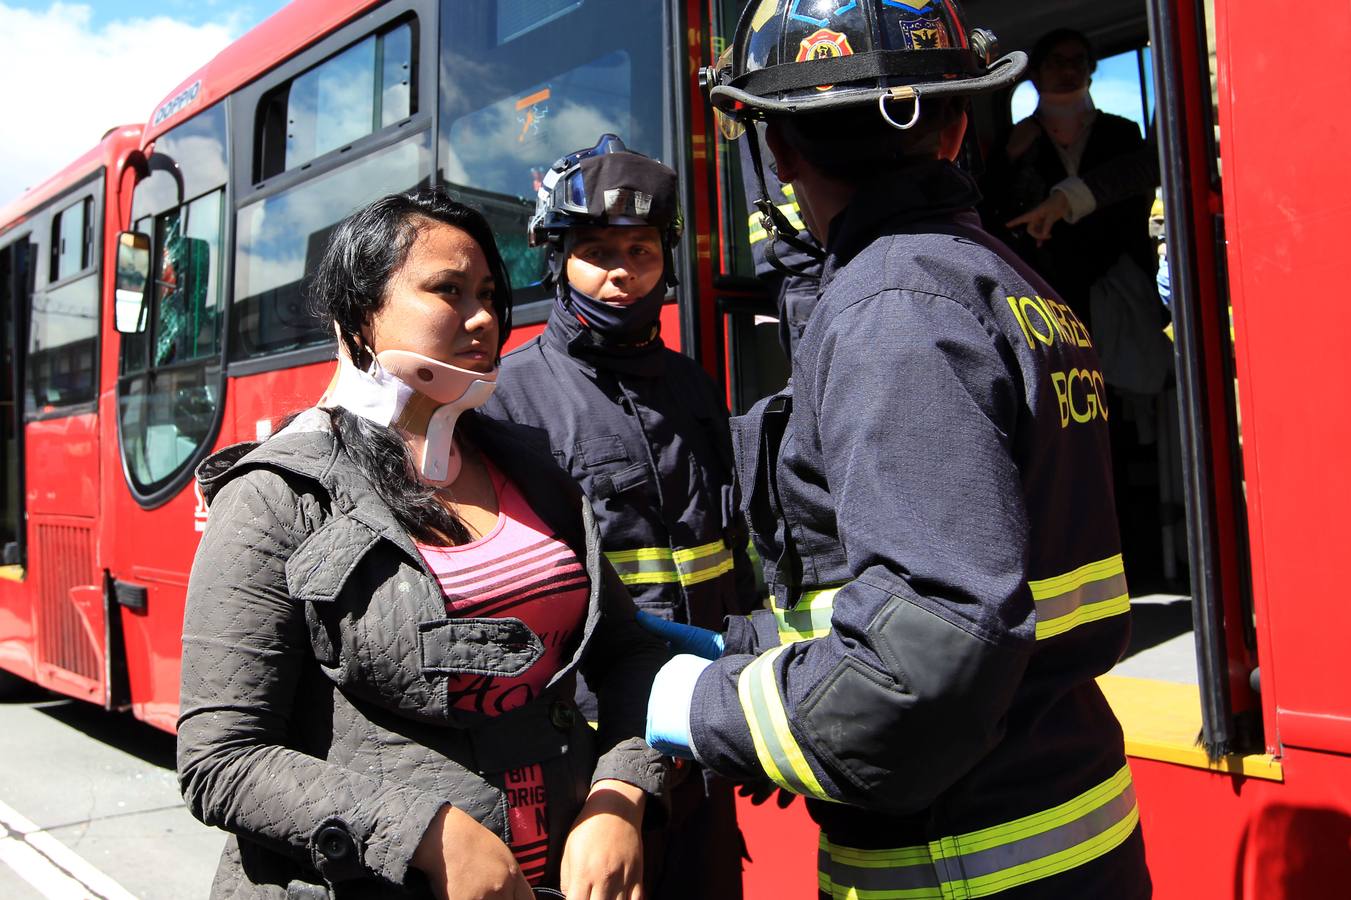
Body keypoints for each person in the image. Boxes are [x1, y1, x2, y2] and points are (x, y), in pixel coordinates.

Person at [643, 3, 1151, 898]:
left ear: (779, 152)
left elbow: (927, 656)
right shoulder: (1001, 279)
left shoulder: (893, 307)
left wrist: (698, 705)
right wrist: (747, 642)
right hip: (1064, 821)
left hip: (962, 859)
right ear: (957, 125)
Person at [177, 188, 669, 899]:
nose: (484, 318)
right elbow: (221, 760)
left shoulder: (532, 467)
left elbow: (628, 654)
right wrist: (422, 834)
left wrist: (620, 791)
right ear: (358, 312)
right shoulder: (274, 494)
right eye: (448, 290)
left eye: (490, 295)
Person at [482, 135, 753, 899]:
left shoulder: (694, 390)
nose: (621, 274)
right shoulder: (508, 401)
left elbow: (735, 558)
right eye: (598, 251)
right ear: (556, 258)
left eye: (640, 250)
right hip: (587, 766)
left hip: (702, 737)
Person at [985, 28, 1156, 331]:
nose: (1068, 69)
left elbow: (1140, 198)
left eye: (1078, 61)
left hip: (1119, 288)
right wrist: (1010, 156)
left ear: (1090, 72)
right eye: (1057, 61)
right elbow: (993, 209)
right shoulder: (1013, 142)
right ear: (1035, 75)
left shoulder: (1122, 133)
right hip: (1045, 288)